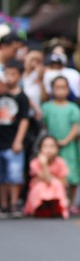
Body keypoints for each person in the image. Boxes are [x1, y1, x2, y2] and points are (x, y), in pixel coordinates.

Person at [42, 75, 80, 214]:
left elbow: (75, 126)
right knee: (50, 173)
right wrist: (50, 143)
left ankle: (70, 202)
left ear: (68, 90)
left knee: (70, 175)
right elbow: (44, 126)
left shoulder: (73, 108)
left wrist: (66, 141)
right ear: (52, 90)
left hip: (68, 146)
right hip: (49, 147)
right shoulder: (47, 107)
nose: (60, 90)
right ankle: (53, 201)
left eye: (64, 87)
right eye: (57, 87)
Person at [0, 61, 33, 217]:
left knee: (14, 175)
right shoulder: (2, 94)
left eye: (13, 74)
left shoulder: (22, 97)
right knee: (2, 176)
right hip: (1, 140)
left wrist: (18, 140)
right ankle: (3, 205)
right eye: (7, 74)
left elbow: (24, 120)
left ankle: (14, 203)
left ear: (20, 76)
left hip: (13, 141)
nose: (9, 78)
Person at [24, 135, 69, 218]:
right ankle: (41, 208)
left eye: (52, 146)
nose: (49, 149)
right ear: (40, 149)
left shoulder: (61, 162)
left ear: (57, 149)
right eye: (45, 146)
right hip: (39, 193)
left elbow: (64, 182)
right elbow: (47, 180)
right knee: (43, 185)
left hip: (55, 192)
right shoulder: (35, 163)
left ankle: (55, 208)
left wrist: (52, 178)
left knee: (55, 183)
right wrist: (44, 164)